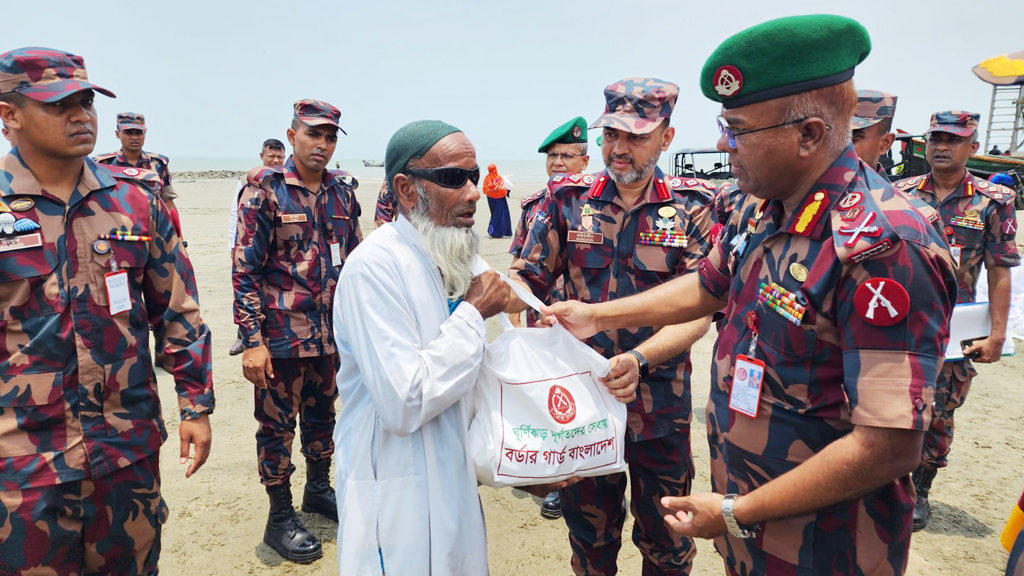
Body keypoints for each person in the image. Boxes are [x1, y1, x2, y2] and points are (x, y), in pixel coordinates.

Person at [543, 16, 958, 576]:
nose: (720, 143)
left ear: (808, 134)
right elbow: (707, 286)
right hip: (748, 530)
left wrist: (738, 510)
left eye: (737, 130)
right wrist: (597, 314)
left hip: (827, 546)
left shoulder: (885, 246)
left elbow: (888, 445)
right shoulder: (755, 206)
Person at [0, 46, 214, 576]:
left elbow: (178, 311)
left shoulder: (135, 204)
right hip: (22, 466)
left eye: (86, 101)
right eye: (59, 104)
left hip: (126, 454)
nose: (81, 116)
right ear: (10, 116)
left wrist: (196, 406)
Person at [510, 77, 716, 576]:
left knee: (667, 540)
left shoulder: (696, 206)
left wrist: (640, 360)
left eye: (635, 137)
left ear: (666, 137)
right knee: (590, 539)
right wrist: (531, 328)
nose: (618, 149)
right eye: (610, 136)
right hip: (581, 404)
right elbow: (523, 277)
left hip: (659, 403)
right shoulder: (567, 200)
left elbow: (700, 308)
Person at [332, 120, 517, 575]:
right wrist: (474, 313)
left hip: (452, 476)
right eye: (455, 179)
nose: (474, 192)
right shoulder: (373, 268)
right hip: (395, 490)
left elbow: (474, 375)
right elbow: (404, 401)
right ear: (408, 190)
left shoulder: (452, 254)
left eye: (474, 176)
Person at [232, 99, 362, 563]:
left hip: (330, 338)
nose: (322, 145)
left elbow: (357, 264)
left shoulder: (342, 194)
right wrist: (252, 342)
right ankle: (280, 515)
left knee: (324, 419)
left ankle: (318, 491)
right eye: (313, 135)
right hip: (281, 339)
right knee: (276, 429)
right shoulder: (265, 191)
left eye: (329, 137)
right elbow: (244, 272)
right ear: (292, 137)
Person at [893, 110, 1020, 531]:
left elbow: (1000, 272)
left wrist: (997, 335)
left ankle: (920, 489)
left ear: (973, 147)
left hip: (954, 330)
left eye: (953, 139)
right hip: (899, 323)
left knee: (941, 411)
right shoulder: (900, 193)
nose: (941, 146)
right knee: (889, 402)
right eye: (935, 138)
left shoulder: (993, 202)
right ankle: (885, 481)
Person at [508, 115, 590, 518]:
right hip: (539, 324)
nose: (558, 163)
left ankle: (598, 471)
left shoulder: (592, 204)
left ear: (584, 161)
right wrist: (515, 325)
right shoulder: (532, 206)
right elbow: (519, 265)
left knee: (587, 405)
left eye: (566, 156)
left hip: (580, 328)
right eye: (552, 156)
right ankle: (557, 477)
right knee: (550, 401)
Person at [227, 138, 285, 356]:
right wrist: (232, 247)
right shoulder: (247, 181)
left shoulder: (284, 182)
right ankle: (244, 335)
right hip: (246, 245)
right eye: (272, 156)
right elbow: (235, 214)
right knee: (245, 289)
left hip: (271, 248)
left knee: (268, 292)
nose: (276, 161)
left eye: (280, 157)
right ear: (262, 156)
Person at [94, 112, 182, 236]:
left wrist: (179, 239)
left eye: (138, 133)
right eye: (128, 133)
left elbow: (168, 203)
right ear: (118, 134)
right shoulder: (102, 165)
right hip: (116, 233)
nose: (134, 137)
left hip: (153, 234)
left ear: (145, 134)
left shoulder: (158, 164)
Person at [851, 90, 897, 180]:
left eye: (855, 137)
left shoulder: (889, 194)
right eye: (837, 136)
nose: (840, 146)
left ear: (885, 143)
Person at [483, 163, 513, 238]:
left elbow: (486, 189)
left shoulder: (487, 179)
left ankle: (493, 230)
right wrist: (506, 192)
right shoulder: (498, 178)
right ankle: (497, 232)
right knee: (502, 214)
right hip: (500, 199)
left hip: (490, 199)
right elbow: (503, 187)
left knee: (494, 214)